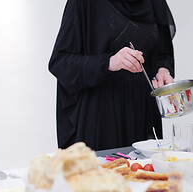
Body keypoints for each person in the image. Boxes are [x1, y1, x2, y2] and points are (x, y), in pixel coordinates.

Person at [49, 0, 176, 151]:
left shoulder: (154, 3)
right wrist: (109, 63)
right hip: (101, 119)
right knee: (104, 172)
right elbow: (60, 62)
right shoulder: (83, 3)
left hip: (142, 115)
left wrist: (163, 71)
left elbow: (163, 53)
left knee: (143, 172)